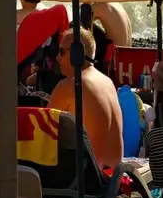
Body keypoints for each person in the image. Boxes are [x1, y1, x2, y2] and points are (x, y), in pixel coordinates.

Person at [47, 28, 124, 172]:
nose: (57, 57)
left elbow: (44, 134)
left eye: (61, 52)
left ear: (77, 53)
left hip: (87, 178)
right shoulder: (107, 82)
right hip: (114, 176)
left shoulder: (70, 85)